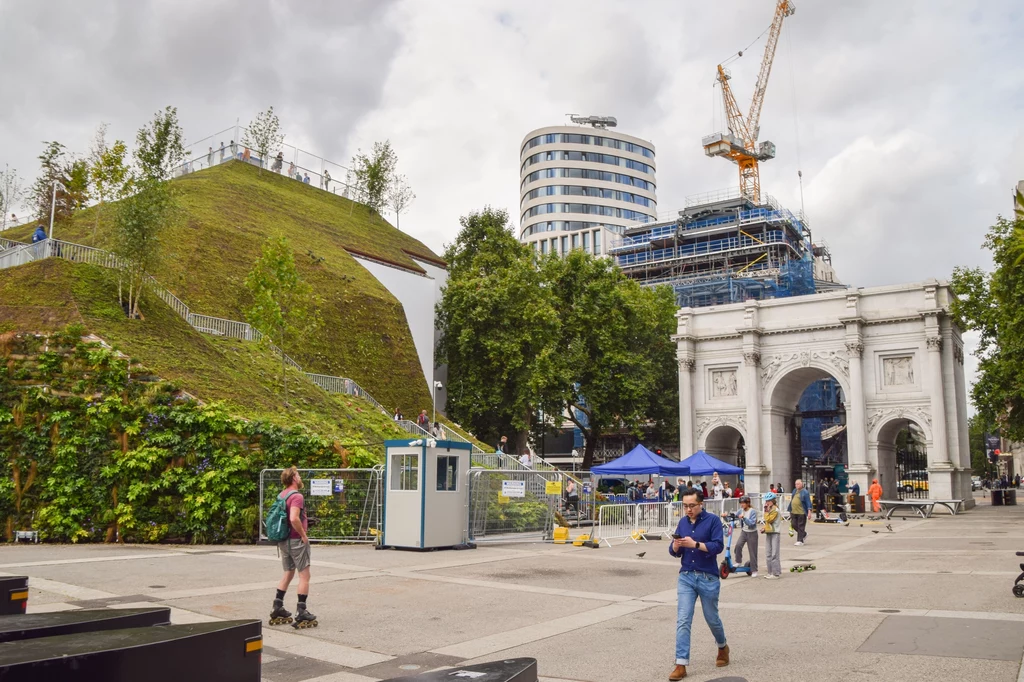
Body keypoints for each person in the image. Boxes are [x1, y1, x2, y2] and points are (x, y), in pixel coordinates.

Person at [668, 488, 729, 679]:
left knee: (712, 619)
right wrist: (675, 546)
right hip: (686, 576)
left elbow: (717, 546)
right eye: (685, 505)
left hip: (707, 577)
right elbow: (674, 552)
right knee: (683, 619)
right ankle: (681, 663)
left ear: (701, 504)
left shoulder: (713, 521)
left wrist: (695, 544)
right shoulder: (682, 523)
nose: (688, 509)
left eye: (692, 505)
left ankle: (722, 646)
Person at [270, 467, 316, 628]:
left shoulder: (282, 495)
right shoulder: (297, 496)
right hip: (296, 540)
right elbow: (293, 518)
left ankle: (277, 607)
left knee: (288, 573)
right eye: (298, 474)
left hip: (283, 540)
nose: (300, 476)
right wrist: (303, 534)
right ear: (294, 478)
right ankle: (301, 611)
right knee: (304, 576)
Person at [731, 496, 758, 578]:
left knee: (752, 552)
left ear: (748, 503)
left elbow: (752, 523)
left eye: (743, 503)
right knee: (738, 545)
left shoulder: (752, 511)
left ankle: (754, 570)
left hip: (752, 533)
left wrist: (744, 518)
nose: (742, 505)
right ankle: (738, 562)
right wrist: (726, 516)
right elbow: (734, 517)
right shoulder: (740, 511)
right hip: (744, 532)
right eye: (741, 503)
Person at [761, 492, 782, 579]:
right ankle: (770, 572)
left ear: (773, 501)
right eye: (766, 501)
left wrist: (766, 511)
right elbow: (767, 523)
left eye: (769, 501)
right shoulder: (768, 509)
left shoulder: (775, 510)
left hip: (775, 533)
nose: (767, 503)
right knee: (768, 553)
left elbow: (768, 519)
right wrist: (764, 528)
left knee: (774, 554)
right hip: (769, 532)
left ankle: (776, 573)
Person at [788, 479, 812, 546]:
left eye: (798, 484)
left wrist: (809, 511)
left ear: (801, 484)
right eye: (796, 484)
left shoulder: (805, 492)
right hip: (793, 511)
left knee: (800, 526)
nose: (796, 485)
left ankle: (800, 540)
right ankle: (803, 534)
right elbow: (792, 499)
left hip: (801, 512)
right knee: (793, 524)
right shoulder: (794, 491)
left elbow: (808, 502)